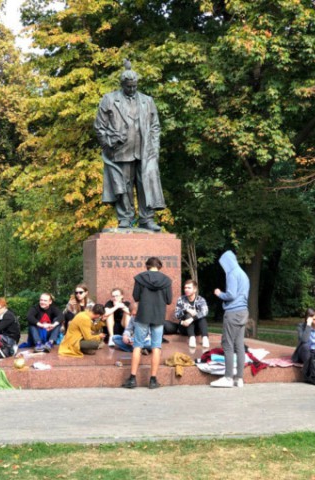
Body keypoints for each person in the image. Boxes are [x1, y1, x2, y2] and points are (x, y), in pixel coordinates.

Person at [93, 60, 166, 231]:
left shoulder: (147, 101)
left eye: (134, 86)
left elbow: (155, 126)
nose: (132, 89)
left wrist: (154, 149)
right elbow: (99, 126)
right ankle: (125, 218)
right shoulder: (109, 100)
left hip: (144, 151)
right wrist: (110, 143)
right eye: (129, 86)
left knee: (145, 184)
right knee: (123, 185)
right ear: (122, 84)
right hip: (121, 151)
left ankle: (146, 219)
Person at [122, 256, 172, 389]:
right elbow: (169, 300)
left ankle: (132, 379)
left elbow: (136, 297)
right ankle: (153, 380)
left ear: (147, 266)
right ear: (159, 266)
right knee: (156, 347)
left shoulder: (140, 278)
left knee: (137, 345)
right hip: (158, 316)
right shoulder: (166, 280)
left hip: (143, 315)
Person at [211, 250, 249, 388]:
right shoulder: (244, 274)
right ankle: (239, 379)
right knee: (239, 345)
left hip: (233, 312)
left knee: (227, 344)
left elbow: (231, 295)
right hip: (243, 312)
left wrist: (220, 294)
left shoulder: (232, 274)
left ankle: (227, 378)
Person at [173, 279, 210, 348]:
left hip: (198, 328)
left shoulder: (200, 299)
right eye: (185, 288)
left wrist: (192, 319)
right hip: (185, 328)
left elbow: (205, 312)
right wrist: (186, 310)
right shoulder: (181, 299)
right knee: (188, 315)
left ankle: (205, 338)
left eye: (189, 288)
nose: (186, 290)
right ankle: (192, 338)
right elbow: (177, 315)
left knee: (202, 317)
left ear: (195, 290)